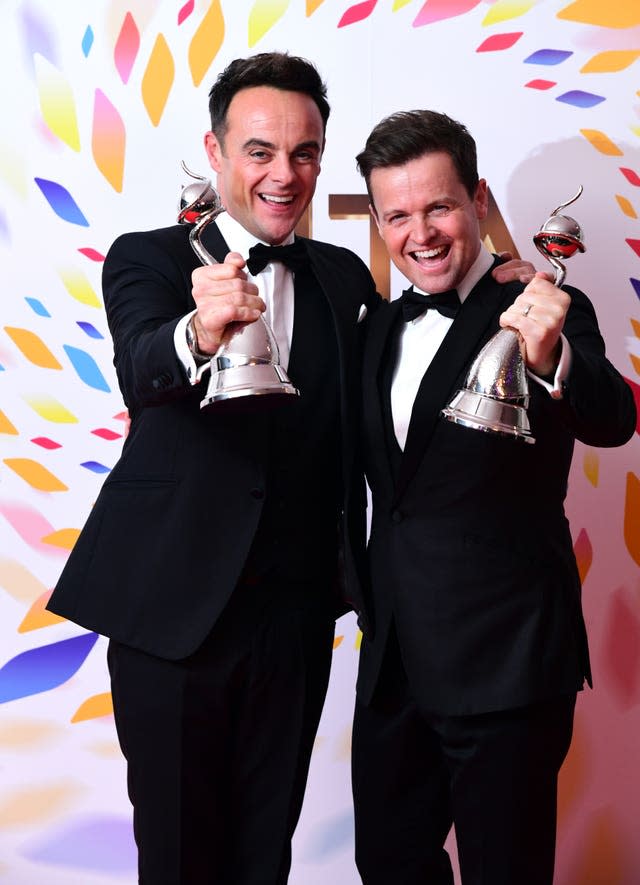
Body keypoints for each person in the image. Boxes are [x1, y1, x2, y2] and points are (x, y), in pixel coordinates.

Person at [47, 52, 379, 884]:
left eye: (305, 152)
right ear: (218, 151)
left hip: (296, 619)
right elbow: (139, 368)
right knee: (180, 854)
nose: (284, 173)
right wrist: (195, 333)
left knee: (265, 853)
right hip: (171, 614)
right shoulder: (151, 257)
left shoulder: (341, 276)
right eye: (261, 151)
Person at [350, 109, 637, 885]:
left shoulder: (545, 303)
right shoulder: (377, 326)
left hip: (505, 664)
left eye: (438, 206)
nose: (422, 233)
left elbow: (612, 417)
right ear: (377, 221)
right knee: (387, 861)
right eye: (398, 215)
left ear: (478, 201)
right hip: (395, 666)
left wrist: (552, 352)